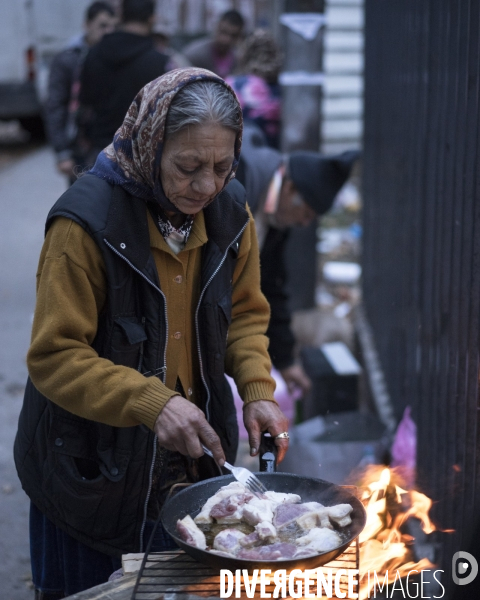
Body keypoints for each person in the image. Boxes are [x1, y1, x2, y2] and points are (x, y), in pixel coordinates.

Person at [14, 68, 288, 598]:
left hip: (189, 470)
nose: (206, 185)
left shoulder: (231, 214)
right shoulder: (84, 226)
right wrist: (153, 402)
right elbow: (53, 355)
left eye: (222, 166)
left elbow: (247, 315)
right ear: (150, 146)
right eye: (188, 167)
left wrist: (256, 390)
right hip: (89, 473)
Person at [235, 124, 359, 396]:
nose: (304, 223)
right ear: (289, 189)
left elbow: (270, 286)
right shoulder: (240, 185)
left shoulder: (275, 220)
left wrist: (286, 359)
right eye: (305, 213)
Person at [78, 0, 169, 167]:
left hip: (101, 153)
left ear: (120, 16)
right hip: (142, 156)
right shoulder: (159, 61)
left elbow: (83, 103)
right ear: (152, 19)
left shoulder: (94, 53)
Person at [44, 1, 116, 183]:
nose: (108, 31)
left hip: (111, 146)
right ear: (87, 25)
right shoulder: (69, 60)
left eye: (112, 27)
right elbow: (55, 105)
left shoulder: (116, 60)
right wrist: (62, 152)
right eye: (102, 25)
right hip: (80, 148)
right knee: (81, 204)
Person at [226, 29, 283, 149]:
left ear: (245, 54)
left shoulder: (233, 85)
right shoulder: (285, 89)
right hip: (274, 159)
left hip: (235, 158)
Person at [182, 9, 245, 79]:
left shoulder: (239, 61)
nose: (226, 40)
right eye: (223, 32)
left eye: (233, 36)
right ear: (216, 27)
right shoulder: (194, 56)